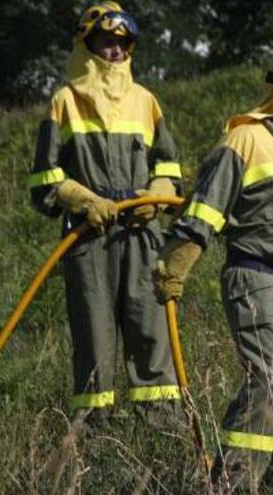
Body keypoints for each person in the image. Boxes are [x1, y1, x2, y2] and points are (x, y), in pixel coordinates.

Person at [153, 40, 273, 489]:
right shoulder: (247, 139)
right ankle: (233, 481)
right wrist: (176, 265)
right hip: (259, 277)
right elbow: (206, 208)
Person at [28, 1, 183, 426]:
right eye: (107, 41)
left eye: (122, 43)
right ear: (87, 42)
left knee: (151, 332)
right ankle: (95, 440)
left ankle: (160, 431)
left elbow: (168, 165)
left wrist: (158, 194)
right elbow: (44, 177)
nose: (115, 51)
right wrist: (82, 199)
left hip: (141, 232)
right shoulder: (65, 100)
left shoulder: (145, 100)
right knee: (94, 337)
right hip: (88, 234)